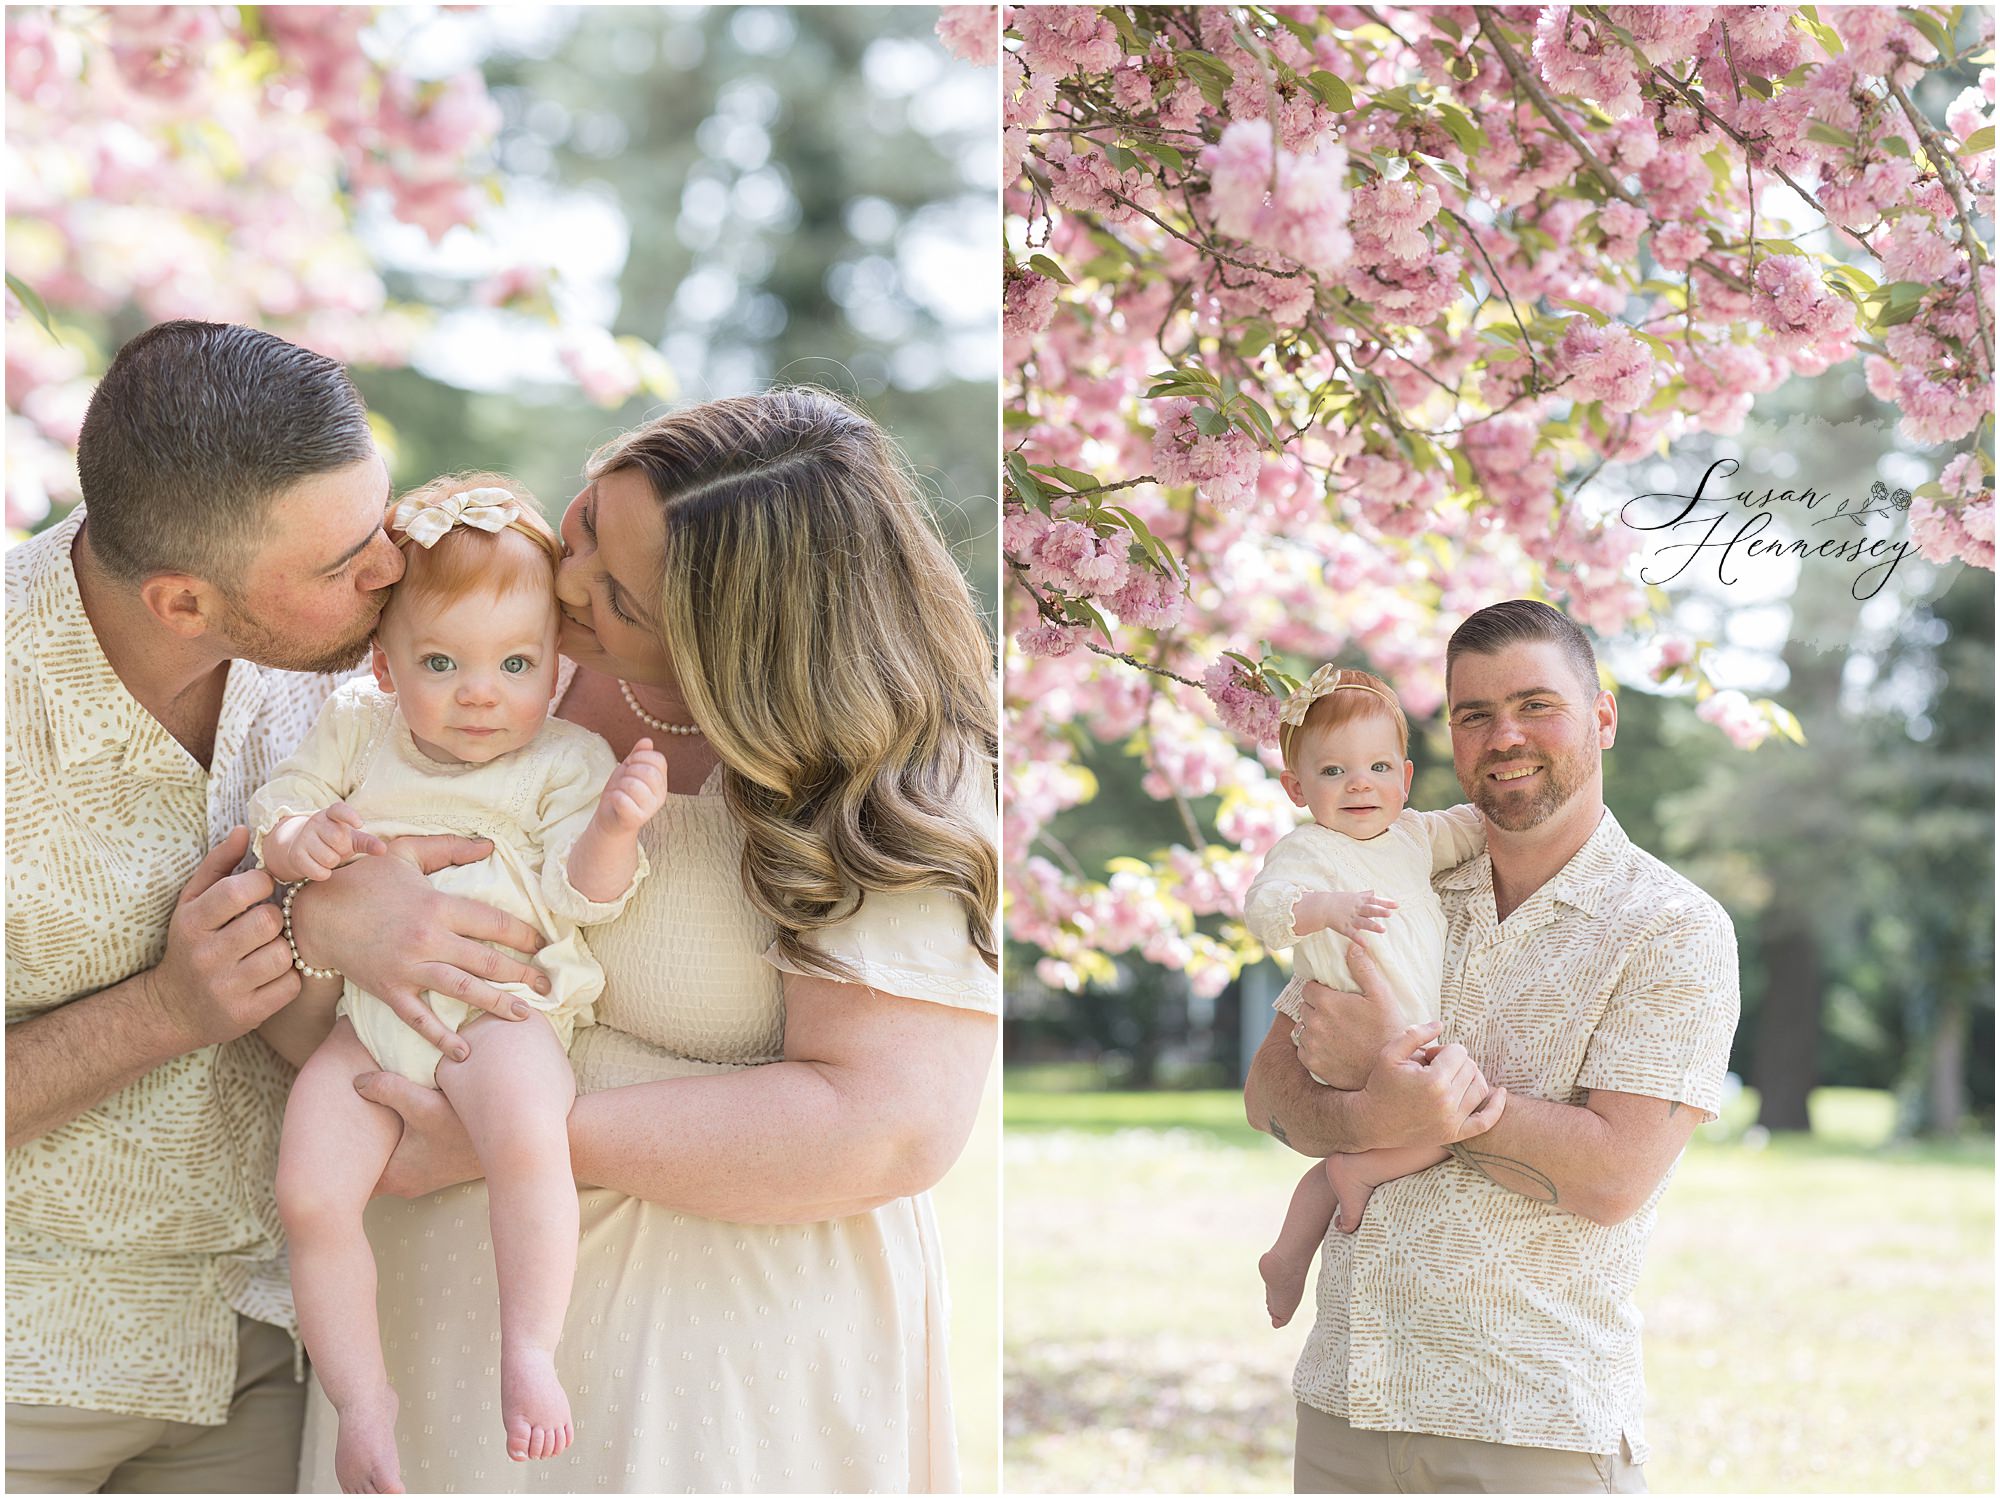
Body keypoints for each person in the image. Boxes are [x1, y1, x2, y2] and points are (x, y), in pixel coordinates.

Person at [284, 390, 1000, 1492]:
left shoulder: (892, 770)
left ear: (730, 646)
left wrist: (508, 1140)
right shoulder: (492, 654)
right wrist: (327, 916)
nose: (566, 583)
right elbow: (305, 913)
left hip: (713, 1373)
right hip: (425, 1336)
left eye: (617, 595)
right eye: (583, 524)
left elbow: (888, 1128)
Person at [4, 321, 543, 1493]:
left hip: (272, 1350)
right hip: (27, 1364)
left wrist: (330, 916)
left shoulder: (352, 675)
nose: (391, 571)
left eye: (379, 522)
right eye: (345, 561)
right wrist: (164, 1009)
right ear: (183, 601)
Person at [1245, 599, 1739, 1495]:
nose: (1503, 735)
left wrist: (1412, 1085)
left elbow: (1612, 1176)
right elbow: (1269, 1092)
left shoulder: (1671, 928)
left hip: (1529, 1427)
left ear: (1603, 717)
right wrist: (1369, 1110)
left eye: (1535, 704)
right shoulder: (1396, 871)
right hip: (1345, 1410)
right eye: (1474, 714)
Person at [253, 478, 669, 1491]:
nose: (481, 692)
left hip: (501, 1012)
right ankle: (364, 1399)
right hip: (368, 1021)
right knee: (308, 1192)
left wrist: (615, 829)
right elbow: (282, 805)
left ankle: (529, 1347)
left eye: (515, 664)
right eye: (441, 662)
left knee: (527, 1137)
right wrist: (300, 838)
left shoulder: (565, 758)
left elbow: (581, 895)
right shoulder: (359, 729)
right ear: (384, 664)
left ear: (555, 662)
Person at [1244, 666, 1495, 1330]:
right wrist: (1326, 907)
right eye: (1333, 771)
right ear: (1297, 788)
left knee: (1425, 1127)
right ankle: (1355, 1175)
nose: (1359, 784)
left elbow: (1473, 827)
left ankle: (1289, 1252)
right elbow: (1264, 910)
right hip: (1354, 1031)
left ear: (1405, 779)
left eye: (1379, 767)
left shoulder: (1412, 835)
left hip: (1408, 1031)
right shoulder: (1308, 850)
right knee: (1456, 1126)